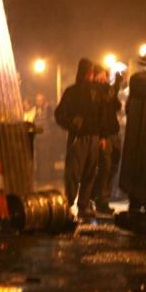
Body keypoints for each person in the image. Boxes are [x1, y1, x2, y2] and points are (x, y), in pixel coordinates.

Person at [54, 59, 104, 219]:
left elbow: (103, 115)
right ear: (83, 72)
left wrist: (102, 136)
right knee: (73, 172)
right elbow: (59, 113)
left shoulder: (97, 92)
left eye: (92, 71)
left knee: (91, 172)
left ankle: (84, 205)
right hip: (79, 138)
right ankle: (68, 204)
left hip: (94, 137)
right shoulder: (72, 92)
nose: (91, 74)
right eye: (88, 71)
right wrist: (71, 123)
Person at [94, 66, 123, 215]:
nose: (104, 78)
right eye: (101, 75)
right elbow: (103, 107)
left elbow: (116, 105)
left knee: (113, 167)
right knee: (105, 166)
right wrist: (102, 136)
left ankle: (104, 197)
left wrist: (116, 85)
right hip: (104, 134)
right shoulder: (96, 91)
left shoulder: (108, 91)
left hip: (114, 132)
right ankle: (101, 200)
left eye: (105, 75)